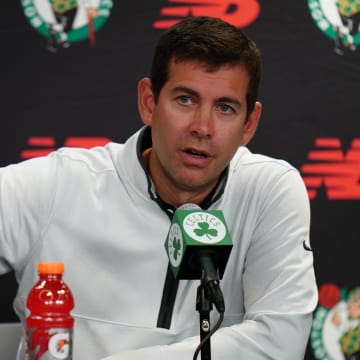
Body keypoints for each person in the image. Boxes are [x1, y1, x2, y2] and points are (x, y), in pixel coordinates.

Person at [0, 16, 317, 359]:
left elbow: (280, 344)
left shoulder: (268, 191)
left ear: (249, 124)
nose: (203, 127)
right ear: (149, 102)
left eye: (225, 108)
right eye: (185, 100)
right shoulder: (57, 185)